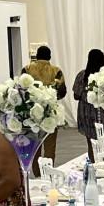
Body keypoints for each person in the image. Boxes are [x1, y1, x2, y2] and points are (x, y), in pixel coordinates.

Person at [21, 45, 66, 173]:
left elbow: (21, 89)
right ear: (49, 56)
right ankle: (48, 171)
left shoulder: (27, 69)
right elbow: (62, 91)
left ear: (37, 56)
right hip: (50, 112)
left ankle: (36, 172)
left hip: (31, 113)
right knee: (50, 146)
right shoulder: (56, 70)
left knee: (35, 145)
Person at [72, 48, 104, 162]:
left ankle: (94, 167)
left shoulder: (82, 75)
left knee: (92, 144)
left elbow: (76, 96)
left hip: (87, 114)